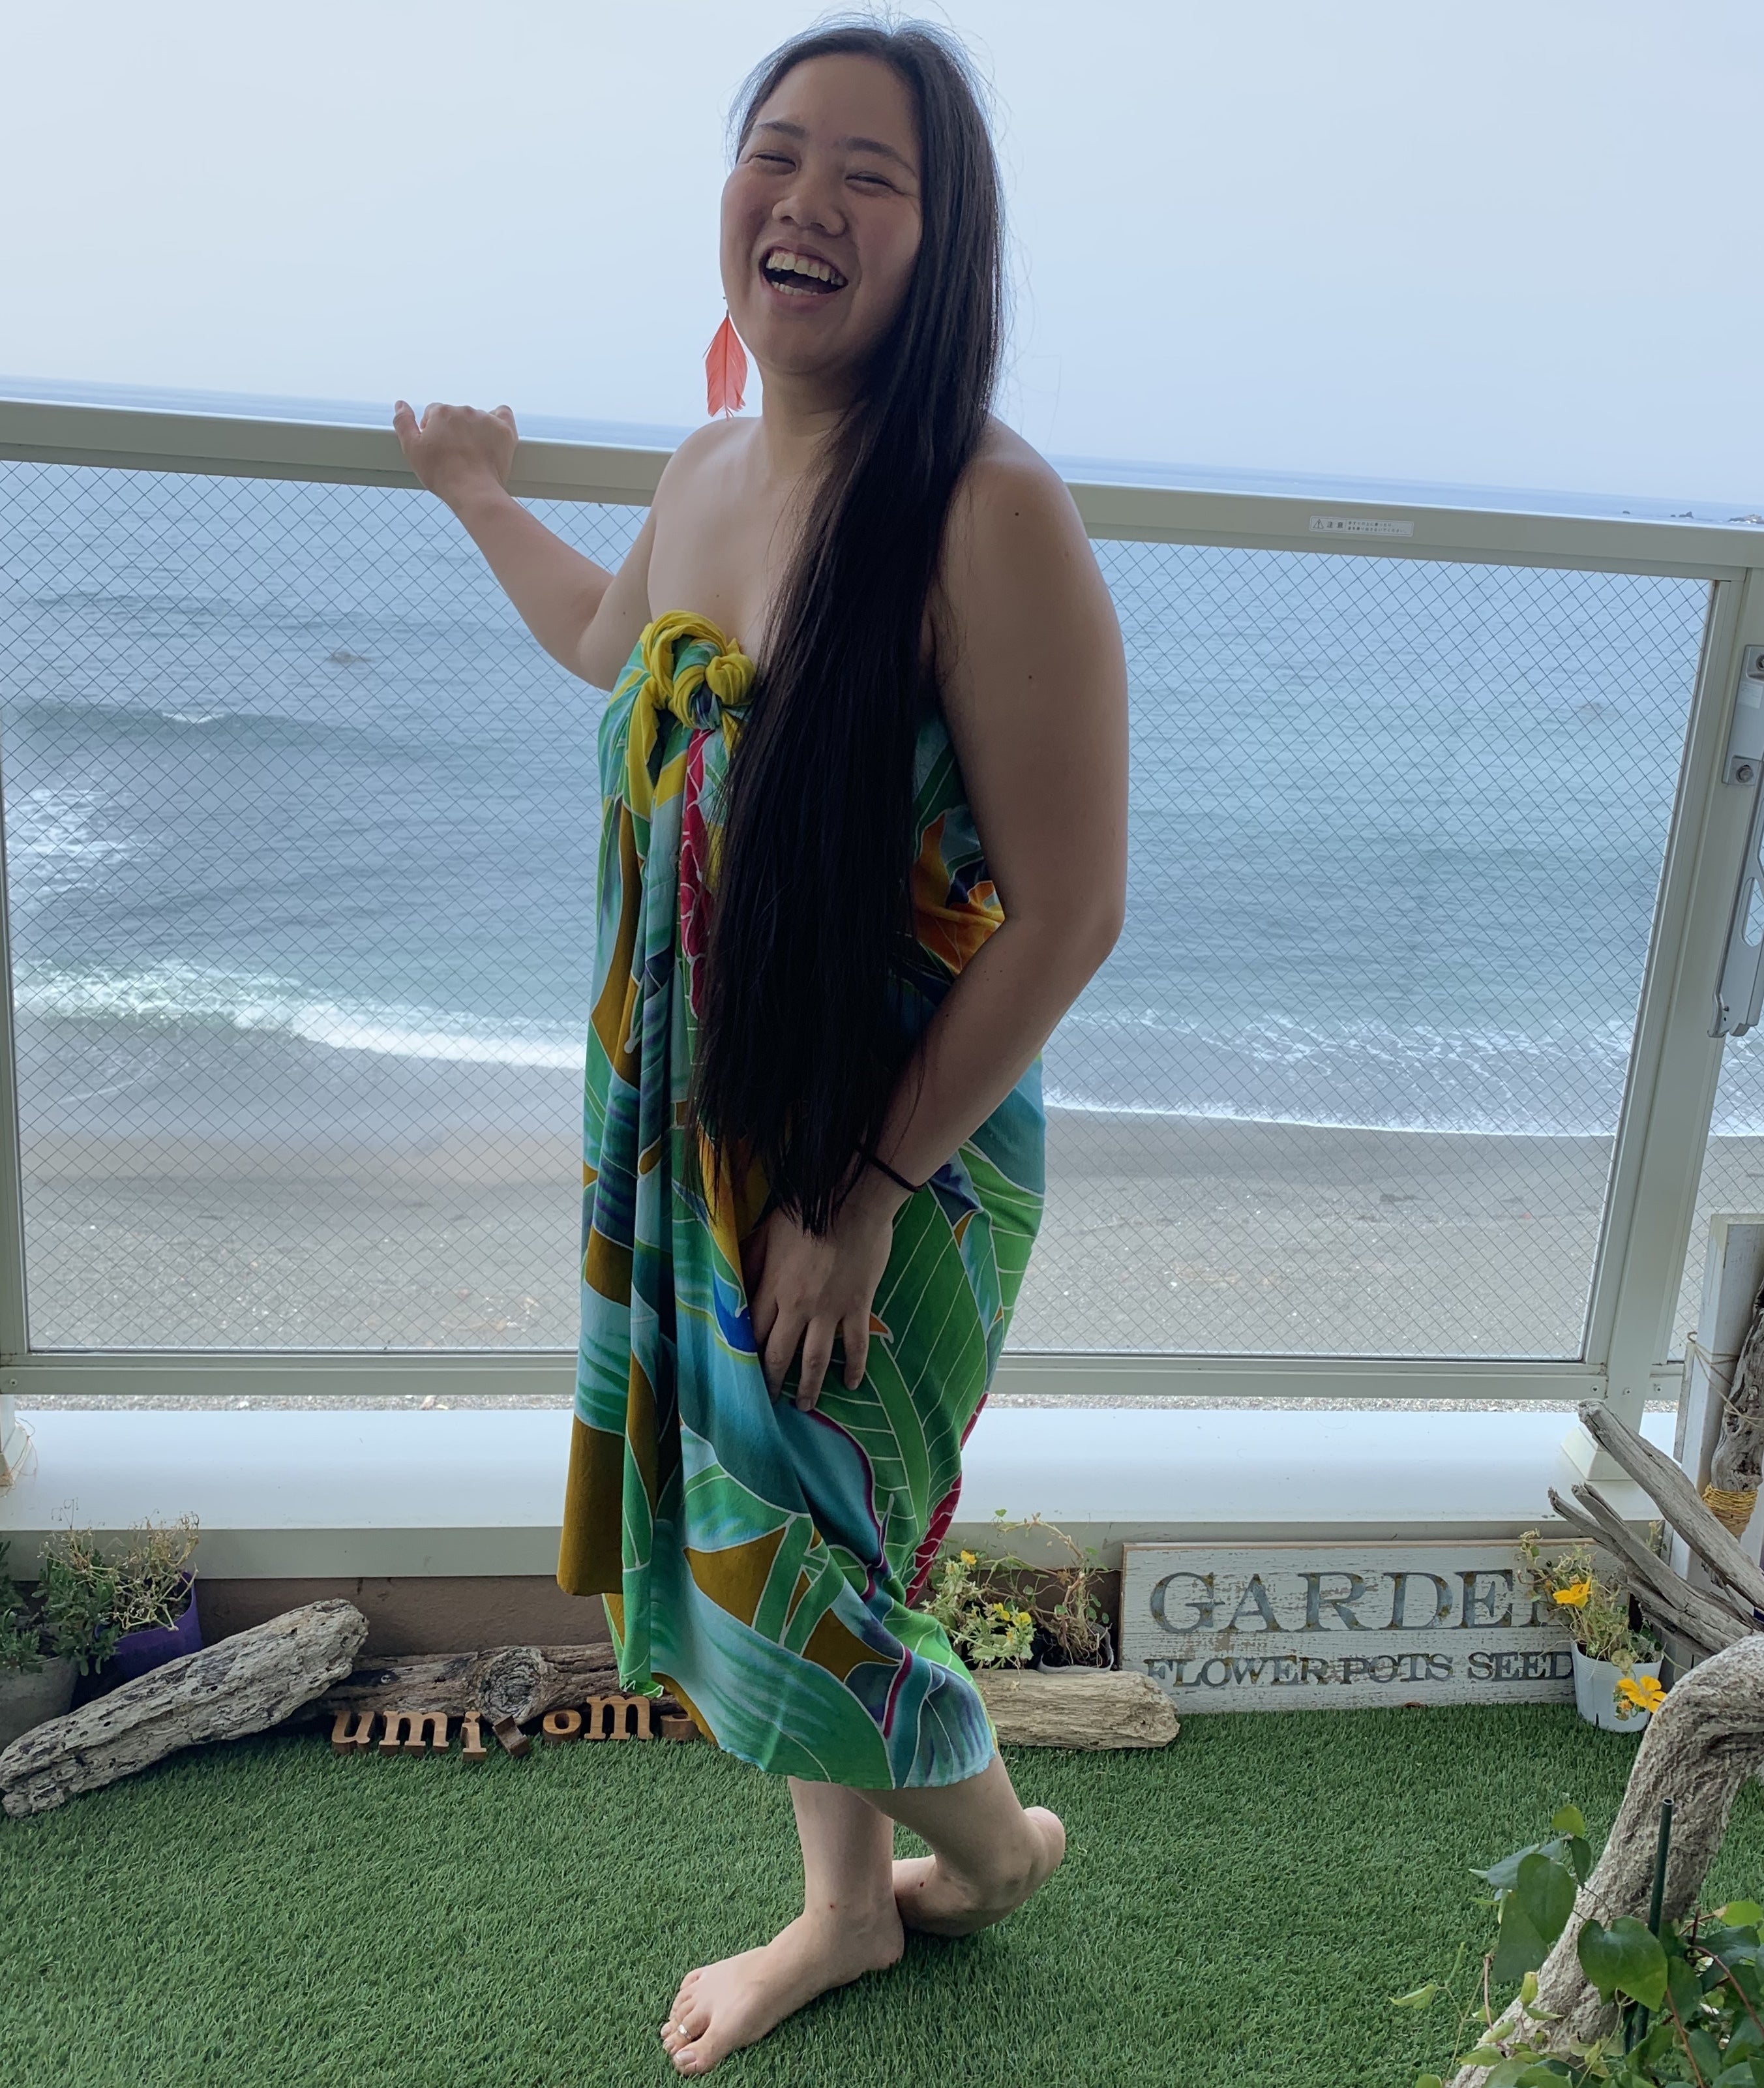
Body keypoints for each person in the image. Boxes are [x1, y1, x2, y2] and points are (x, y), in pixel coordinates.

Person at [393, 18, 1128, 2076]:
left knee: (812, 1558)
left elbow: (1071, 909)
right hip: (710, 1117)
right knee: (778, 1519)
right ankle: (843, 1910)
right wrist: (475, 491)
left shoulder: (988, 514)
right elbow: (605, 642)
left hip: (894, 1141)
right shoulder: (709, 461)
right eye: (774, 153)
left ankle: (992, 1851)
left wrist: (862, 1196)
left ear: (942, 242)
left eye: (868, 176)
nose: (804, 203)